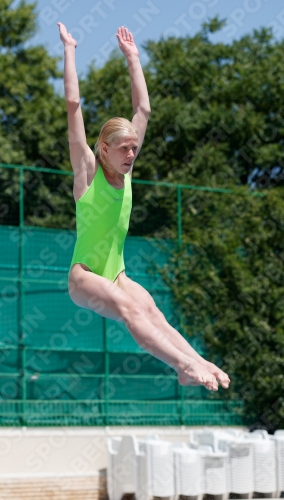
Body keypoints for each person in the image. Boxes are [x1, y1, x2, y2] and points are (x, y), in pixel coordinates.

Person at [57, 22, 230, 392]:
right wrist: (70, 50)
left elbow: (143, 108)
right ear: (105, 149)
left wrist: (133, 58)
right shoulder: (88, 173)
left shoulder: (128, 174)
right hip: (85, 275)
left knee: (153, 312)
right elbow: (73, 106)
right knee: (130, 309)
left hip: (116, 272)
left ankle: (195, 363)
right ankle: (182, 364)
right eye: (125, 149)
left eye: (134, 148)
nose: (132, 154)